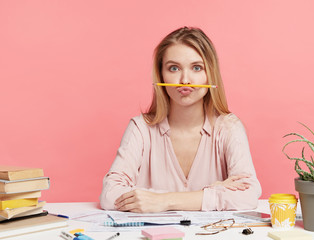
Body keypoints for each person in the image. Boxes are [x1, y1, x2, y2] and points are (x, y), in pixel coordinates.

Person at [100, 27, 261, 213]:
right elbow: (109, 194)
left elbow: (248, 195)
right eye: (174, 68)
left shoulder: (229, 127)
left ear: (210, 74)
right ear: (161, 75)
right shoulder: (140, 128)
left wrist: (163, 201)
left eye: (196, 68)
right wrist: (212, 193)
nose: (185, 80)